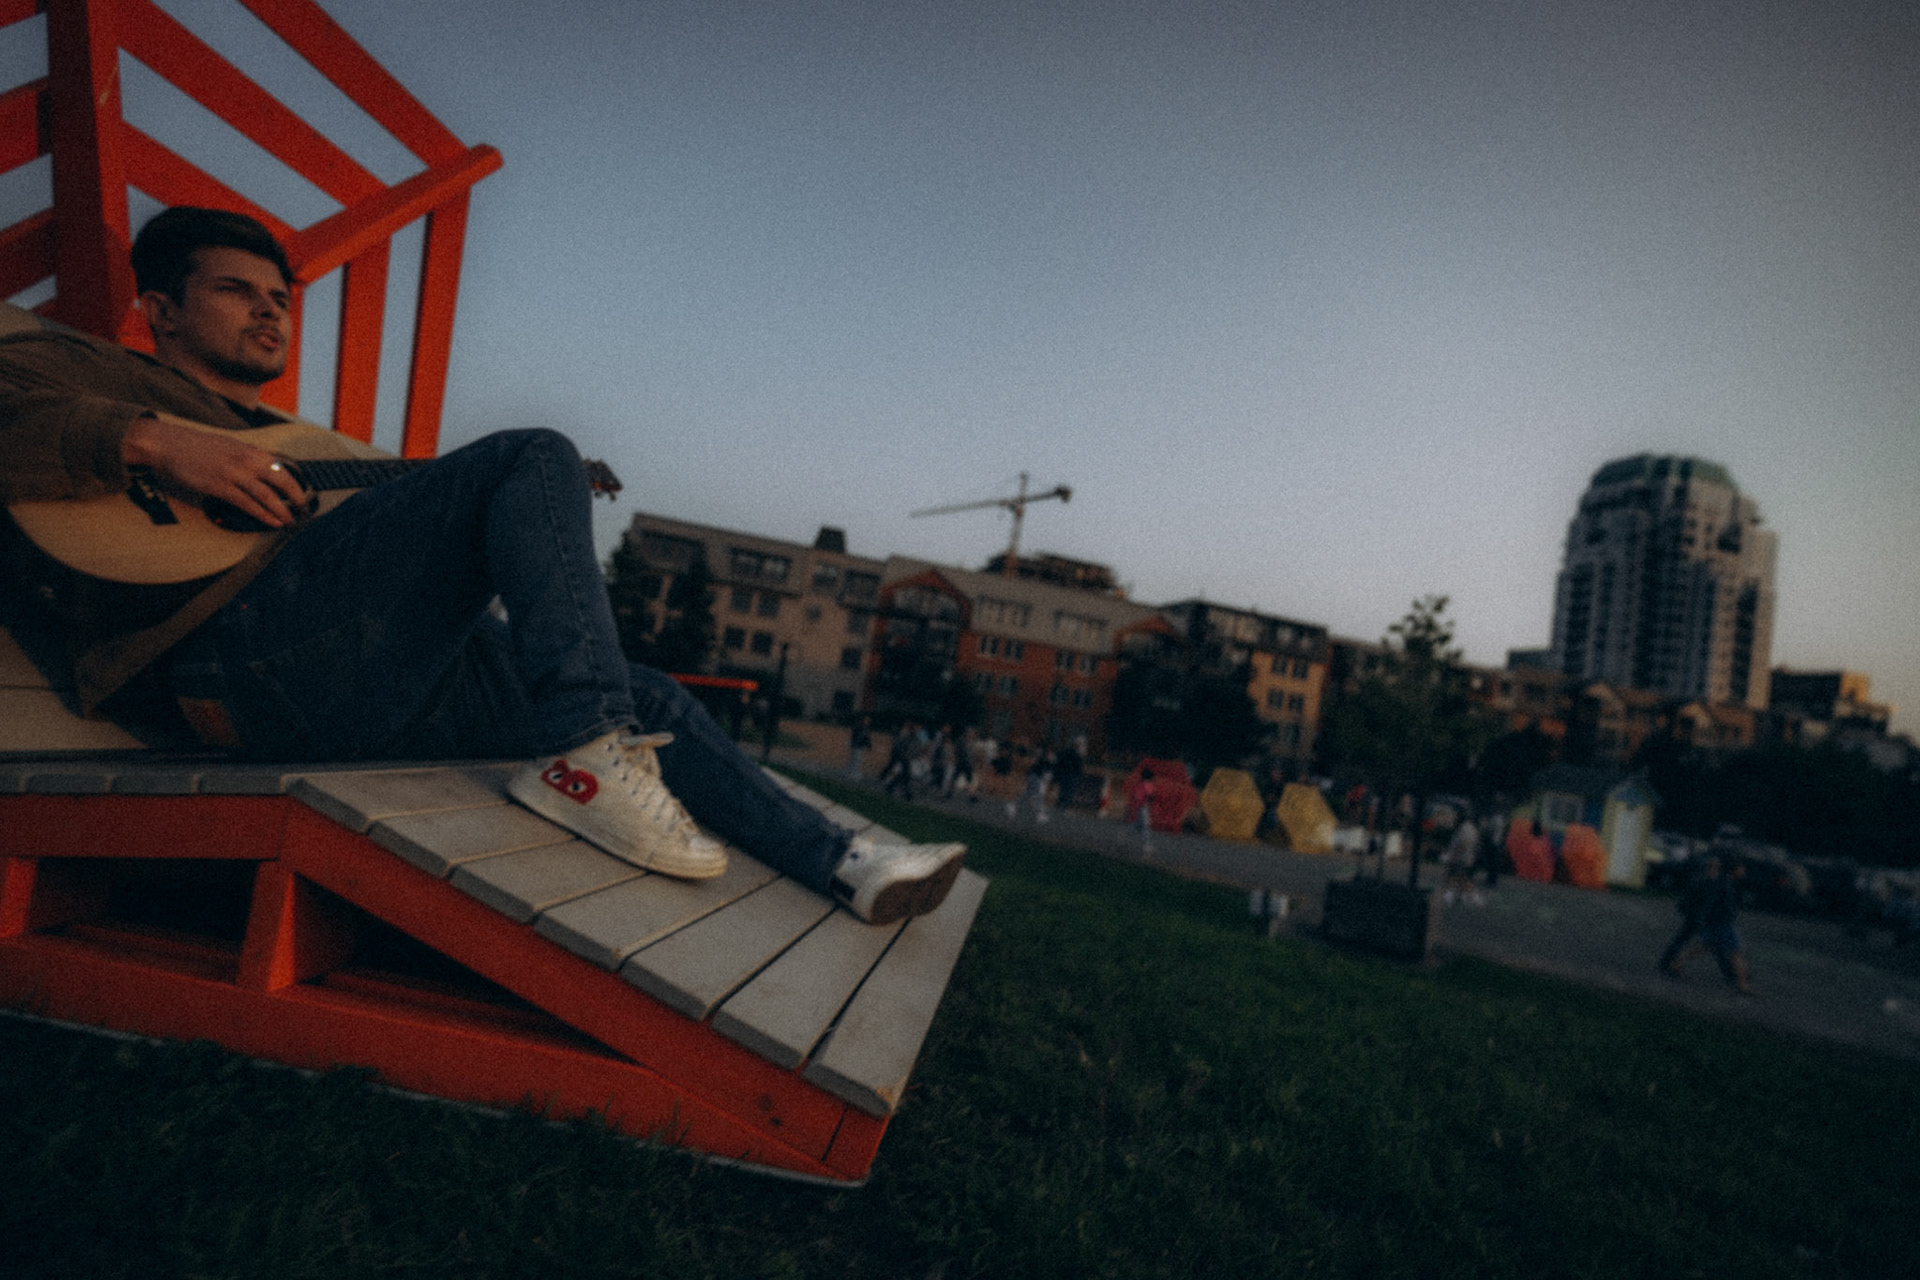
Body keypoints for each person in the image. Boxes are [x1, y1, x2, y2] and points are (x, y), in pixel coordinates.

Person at [0, 206, 963, 925]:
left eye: (281, 299)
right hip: (231, 666)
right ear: (160, 311)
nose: (270, 311)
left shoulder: (301, 443)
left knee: (649, 697)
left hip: (354, 680)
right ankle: (587, 759)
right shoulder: (94, 372)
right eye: (237, 291)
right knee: (531, 451)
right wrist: (155, 440)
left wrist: (533, 494)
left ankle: (848, 865)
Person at [1660, 856, 1754, 993]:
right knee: (1733, 951)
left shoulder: (1720, 881)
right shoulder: (1714, 881)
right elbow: (1706, 901)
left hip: (1712, 920)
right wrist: (1701, 916)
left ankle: (1675, 965)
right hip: (1713, 920)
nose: (1743, 870)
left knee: (1703, 947)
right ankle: (1740, 982)